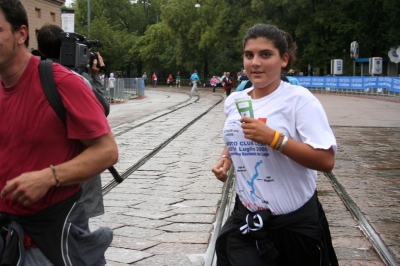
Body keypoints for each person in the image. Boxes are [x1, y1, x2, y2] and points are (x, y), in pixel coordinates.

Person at [0, 1, 118, 265]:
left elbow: (107, 151)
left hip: (49, 240)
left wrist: (49, 177)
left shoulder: (61, 82)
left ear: (21, 34)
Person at [211, 23, 338, 265]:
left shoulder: (299, 100)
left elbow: (326, 161)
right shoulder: (234, 100)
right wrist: (226, 157)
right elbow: (239, 133)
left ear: (284, 59)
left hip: (293, 226)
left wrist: (274, 139)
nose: (255, 62)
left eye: (265, 54)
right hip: (246, 220)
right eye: (249, 55)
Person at [36, 23, 107, 219]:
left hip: (37, 174)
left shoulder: (26, 74)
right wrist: (94, 76)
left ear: (39, 48)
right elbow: (102, 109)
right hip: (74, 174)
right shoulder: (74, 79)